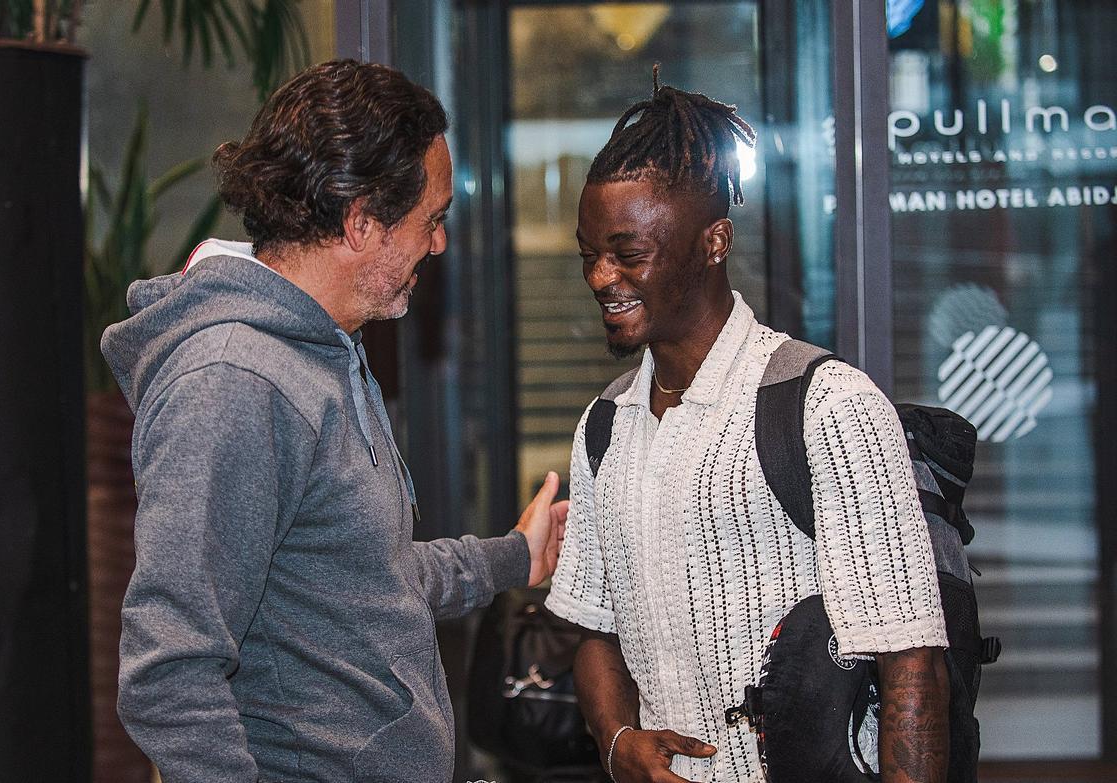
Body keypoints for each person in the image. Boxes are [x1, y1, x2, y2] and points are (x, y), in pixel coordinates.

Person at [101, 59, 568, 783]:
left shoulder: (322, 350)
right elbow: (170, 676)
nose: (438, 244)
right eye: (431, 220)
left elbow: (363, 579)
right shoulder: (235, 382)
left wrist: (514, 556)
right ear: (361, 222)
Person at [545, 73, 951, 783]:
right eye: (589, 255)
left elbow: (911, 661)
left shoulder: (827, 404)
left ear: (715, 242)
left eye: (628, 254)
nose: (601, 277)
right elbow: (593, 629)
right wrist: (616, 742)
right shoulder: (605, 425)